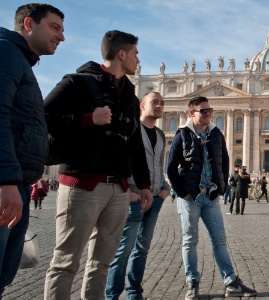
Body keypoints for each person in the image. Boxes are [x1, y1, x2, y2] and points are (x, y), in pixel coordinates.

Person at [43, 30, 153, 299]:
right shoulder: (77, 82)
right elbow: (43, 115)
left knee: (101, 263)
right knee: (66, 262)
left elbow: (134, 141)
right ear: (122, 54)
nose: (138, 59)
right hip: (82, 184)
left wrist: (145, 183)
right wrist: (87, 118)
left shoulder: (129, 93)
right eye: (136, 54)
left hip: (117, 189)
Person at [0, 4, 64, 295]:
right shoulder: (6, 53)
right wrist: (6, 180)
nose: (61, 37)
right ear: (28, 23)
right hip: (8, 185)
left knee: (3, 274)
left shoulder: (20, 60)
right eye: (55, 27)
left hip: (19, 183)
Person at [166, 96, 257, 299]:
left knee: (220, 239)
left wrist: (222, 188)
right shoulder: (182, 134)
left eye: (209, 110)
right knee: (190, 240)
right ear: (192, 113)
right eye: (203, 110)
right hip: (191, 198)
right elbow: (171, 167)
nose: (208, 113)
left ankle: (231, 282)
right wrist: (183, 192)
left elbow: (223, 161)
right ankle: (192, 282)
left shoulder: (216, 134)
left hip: (211, 196)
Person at [105, 92, 171, 300]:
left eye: (162, 103)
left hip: (155, 197)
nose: (159, 106)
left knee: (142, 249)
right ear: (141, 106)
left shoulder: (160, 134)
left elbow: (159, 164)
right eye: (154, 102)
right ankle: (112, 295)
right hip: (132, 196)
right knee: (123, 250)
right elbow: (118, 160)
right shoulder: (130, 130)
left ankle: (134, 292)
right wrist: (128, 192)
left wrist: (165, 187)